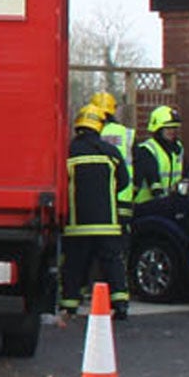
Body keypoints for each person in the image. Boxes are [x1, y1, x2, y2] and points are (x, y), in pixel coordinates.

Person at [59, 103, 130, 321]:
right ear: (99, 126)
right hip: (107, 224)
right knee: (112, 263)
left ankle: (70, 305)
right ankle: (120, 305)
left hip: (77, 224)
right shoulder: (110, 152)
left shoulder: (67, 152)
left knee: (74, 265)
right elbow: (124, 182)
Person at [89, 90, 137, 227]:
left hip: (98, 198)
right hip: (124, 196)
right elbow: (138, 162)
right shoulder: (126, 133)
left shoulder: (91, 134)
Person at [130, 105, 186, 213]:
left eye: (174, 128)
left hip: (169, 205)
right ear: (158, 130)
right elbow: (153, 180)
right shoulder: (147, 150)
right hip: (146, 207)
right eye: (168, 128)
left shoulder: (178, 148)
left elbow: (185, 173)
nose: (172, 131)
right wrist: (161, 197)